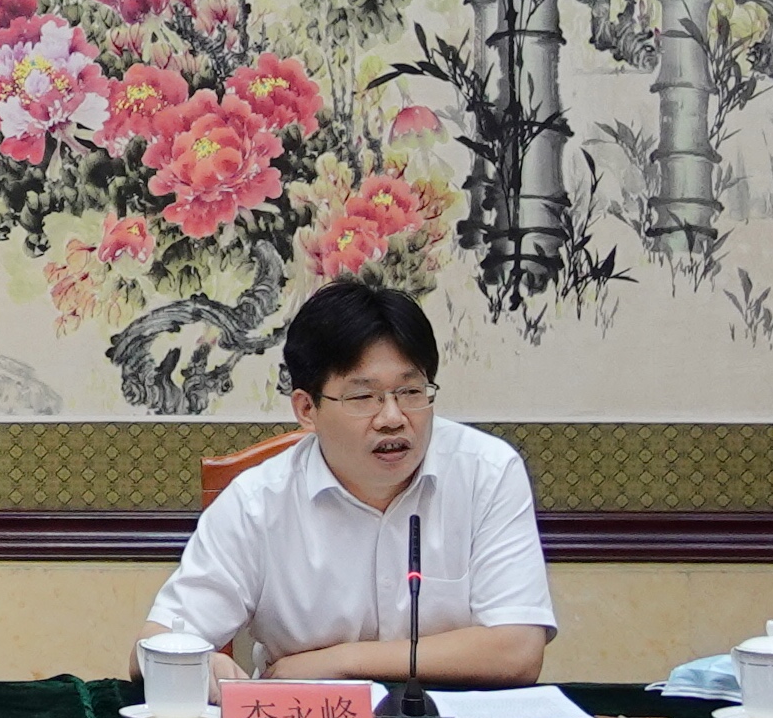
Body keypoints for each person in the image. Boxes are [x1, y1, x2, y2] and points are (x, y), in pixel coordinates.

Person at [141, 277, 556, 686]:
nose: (393, 418)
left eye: (411, 392)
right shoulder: (257, 503)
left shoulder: (486, 472)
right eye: (363, 397)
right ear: (307, 409)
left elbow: (518, 650)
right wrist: (197, 665)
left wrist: (341, 661)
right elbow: (152, 647)